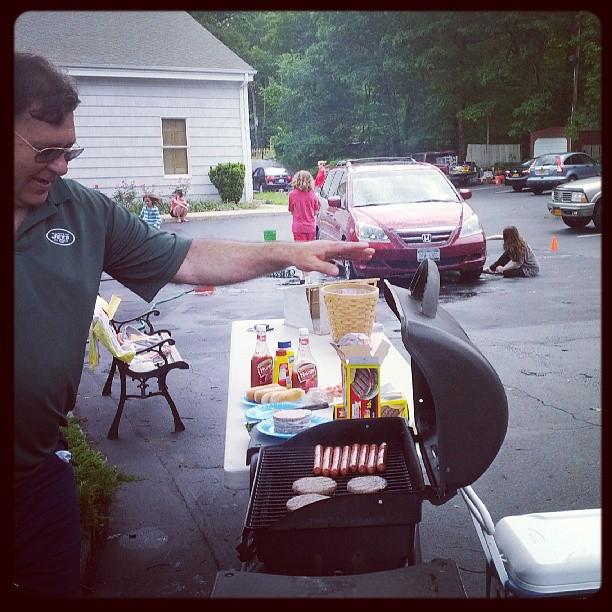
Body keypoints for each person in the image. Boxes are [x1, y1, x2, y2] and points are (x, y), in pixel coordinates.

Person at [13, 52, 374, 598]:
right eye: (47, 151)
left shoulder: (81, 211)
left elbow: (188, 258)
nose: (62, 166)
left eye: (70, 151)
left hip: (36, 478)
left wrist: (291, 253)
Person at [288, 170, 319, 242]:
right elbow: (315, 212)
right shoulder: (313, 195)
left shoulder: (292, 194)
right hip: (310, 227)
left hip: (298, 227)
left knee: (300, 251)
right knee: (311, 250)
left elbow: (291, 210)